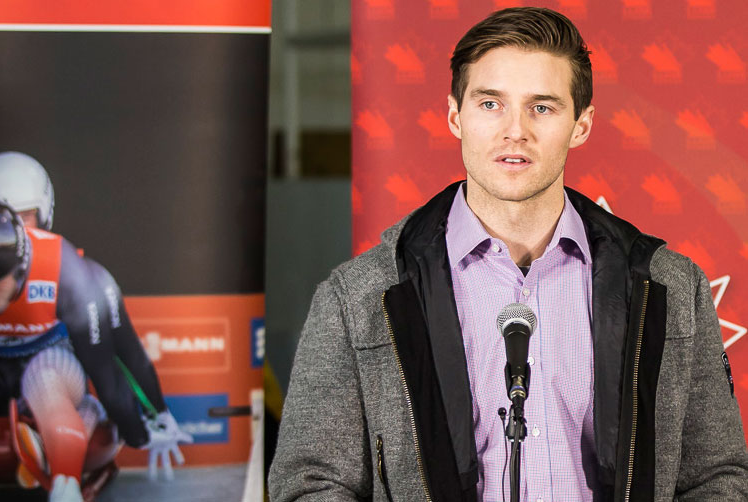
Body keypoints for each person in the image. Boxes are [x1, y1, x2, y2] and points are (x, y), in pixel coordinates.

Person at [269, 7, 748, 501]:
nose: (514, 130)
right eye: (491, 104)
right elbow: (311, 484)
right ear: (456, 116)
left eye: (542, 107)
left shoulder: (670, 285)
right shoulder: (359, 297)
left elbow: (715, 477)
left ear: (581, 125)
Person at [0, 199, 187, 502]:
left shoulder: (65, 272)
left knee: (47, 379)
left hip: (48, 361)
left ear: (21, 266)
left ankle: (61, 478)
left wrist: (136, 430)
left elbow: (106, 368)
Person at [0, 150, 190, 479]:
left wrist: (156, 414)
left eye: (23, 217)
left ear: (43, 215)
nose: (12, 232)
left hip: (54, 400)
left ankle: (48, 450)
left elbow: (125, 354)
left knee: (79, 402)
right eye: (0, 221)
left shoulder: (79, 276)